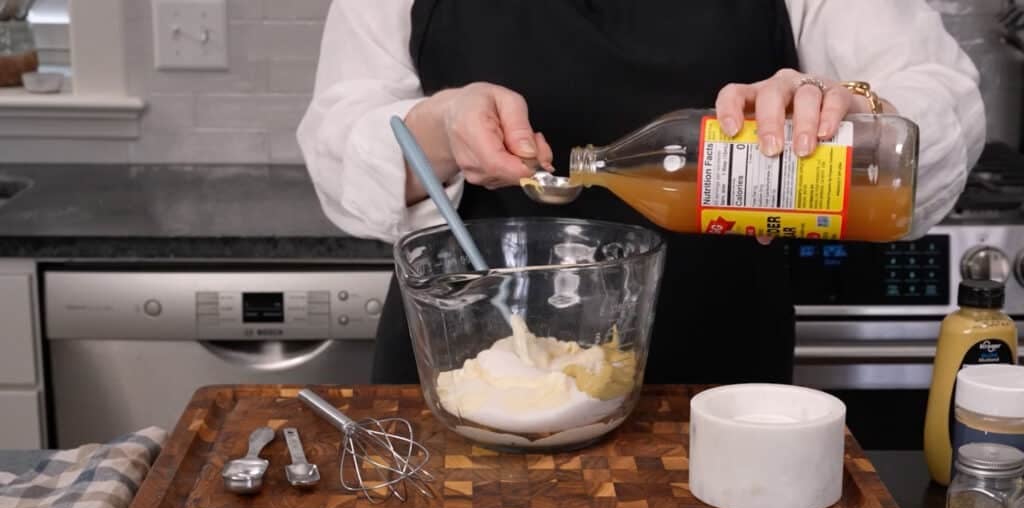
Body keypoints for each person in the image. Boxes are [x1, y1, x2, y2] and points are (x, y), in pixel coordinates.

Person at [297, 0, 985, 387]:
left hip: (711, 388)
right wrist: (442, 127)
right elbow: (337, 144)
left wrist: (851, 113)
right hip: (465, 381)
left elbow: (941, 95)